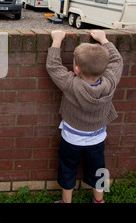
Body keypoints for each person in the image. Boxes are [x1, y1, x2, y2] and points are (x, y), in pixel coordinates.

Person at [46, 30, 123, 203]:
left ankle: (67, 202)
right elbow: (117, 60)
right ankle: (99, 200)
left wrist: (57, 40)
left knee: (67, 169)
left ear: (77, 68)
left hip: (71, 139)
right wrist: (103, 39)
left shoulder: (70, 84)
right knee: (100, 170)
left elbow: (53, 66)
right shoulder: (110, 81)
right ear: (104, 68)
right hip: (97, 139)